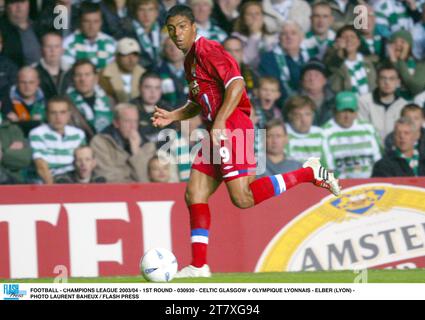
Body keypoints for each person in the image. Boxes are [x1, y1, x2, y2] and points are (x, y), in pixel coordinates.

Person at [152, 5, 341, 278]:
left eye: (182, 26)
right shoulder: (189, 60)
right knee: (194, 194)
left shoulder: (209, 50)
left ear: (194, 27)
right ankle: (198, 266)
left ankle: (308, 172)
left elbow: (237, 84)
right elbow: (197, 102)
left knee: (243, 198)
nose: (177, 33)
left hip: (231, 126)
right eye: (172, 29)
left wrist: (219, 123)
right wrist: (173, 116)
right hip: (216, 130)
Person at [90, 102, 156, 183]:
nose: (133, 126)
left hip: (142, 193)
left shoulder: (148, 145)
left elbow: (146, 180)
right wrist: (132, 179)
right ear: (116, 123)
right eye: (127, 121)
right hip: (113, 194)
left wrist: (136, 152)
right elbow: (107, 177)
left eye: (135, 121)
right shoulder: (100, 142)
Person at [322, 92, 382, 179]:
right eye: (343, 111)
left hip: (371, 182)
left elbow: (379, 160)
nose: (347, 116)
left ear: (356, 112)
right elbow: (327, 168)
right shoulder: (324, 133)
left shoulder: (369, 129)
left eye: (351, 111)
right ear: (334, 111)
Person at [29, 96, 86, 184]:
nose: (58, 117)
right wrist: (54, 192)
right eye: (53, 113)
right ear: (47, 115)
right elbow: (41, 166)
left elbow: (84, 161)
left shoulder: (78, 134)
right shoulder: (37, 133)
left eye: (62, 112)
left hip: (73, 180)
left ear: (69, 115)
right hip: (47, 183)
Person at [358, 63, 407, 141]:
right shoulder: (364, 101)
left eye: (391, 79)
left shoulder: (403, 105)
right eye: (383, 78)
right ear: (377, 81)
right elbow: (361, 131)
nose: (387, 82)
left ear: (398, 82)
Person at [61, 1, 117, 71]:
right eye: (87, 21)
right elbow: (67, 73)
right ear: (80, 22)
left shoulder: (111, 43)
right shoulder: (68, 43)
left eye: (96, 21)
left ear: (101, 22)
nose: (91, 26)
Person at [67, 59, 113, 139]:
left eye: (87, 75)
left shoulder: (109, 102)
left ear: (95, 78)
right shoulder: (66, 104)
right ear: (73, 79)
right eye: (78, 75)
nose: (83, 79)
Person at [99, 37, 146, 104]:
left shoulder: (145, 75)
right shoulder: (103, 76)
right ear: (117, 56)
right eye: (126, 54)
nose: (131, 59)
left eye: (135, 55)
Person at [130, 72, 170, 144]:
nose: (153, 92)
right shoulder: (129, 110)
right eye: (148, 87)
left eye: (157, 88)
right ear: (139, 88)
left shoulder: (168, 110)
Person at [0, 0, 42, 67]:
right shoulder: (2, 31)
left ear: (28, 4)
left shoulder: (40, 27)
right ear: (6, 6)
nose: (19, 6)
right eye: (13, 2)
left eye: (22, 1)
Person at [285, 95, 324, 163]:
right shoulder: (281, 133)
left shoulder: (321, 134)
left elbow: (328, 168)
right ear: (290, 116)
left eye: (308, 114)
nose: (304, 120)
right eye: (298, 115)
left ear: (313, 115)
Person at [35, 32, 71, 101]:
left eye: (56, 46)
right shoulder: (34, 73)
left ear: (62, 50)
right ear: (41, 50)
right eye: (48, 46)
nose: (53, 50)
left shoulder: (72, 72)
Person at [155, 36, 188, 108]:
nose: (173, 49)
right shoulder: (156, 72)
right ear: (164, 50)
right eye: (169, 46)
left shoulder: (196, 71)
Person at [299, 59, 334, 126]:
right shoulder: (293, 100)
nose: (312, 79)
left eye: (316, 75)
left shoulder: (334, 100)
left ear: (325, 80)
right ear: (302, 81)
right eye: (308, 75)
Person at [129, 0, 162, 70]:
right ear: (135, 13)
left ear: (157, 13)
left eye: (150, 10)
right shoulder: (127, 33)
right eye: (141, 10)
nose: (146, 15)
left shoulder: (165, 32)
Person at [0, 116, 32, 183]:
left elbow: (25, 159)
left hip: (12, 184)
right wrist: (10, 153)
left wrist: (2, 153)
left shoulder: (14, 129)